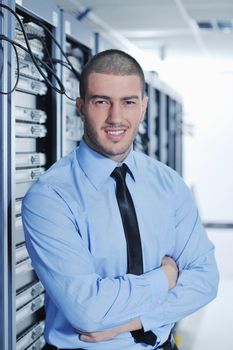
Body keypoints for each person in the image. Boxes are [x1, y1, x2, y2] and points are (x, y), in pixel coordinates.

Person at [22, 49, 219, 350]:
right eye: (101, 101)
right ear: (81, 107)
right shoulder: (50, 197)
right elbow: (88, 311)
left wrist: (132, 323)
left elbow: (205, 280)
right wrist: (166, 278)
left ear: (143, 107)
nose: (115, 117)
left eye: (128, 102)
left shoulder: (168, 185)